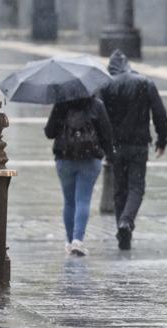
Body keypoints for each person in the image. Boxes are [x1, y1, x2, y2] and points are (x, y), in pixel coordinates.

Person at [100, 50, 167, 251]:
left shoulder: (105, 85)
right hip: (139, 144)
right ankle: (126, 222)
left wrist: (103, 145)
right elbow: (159, 113)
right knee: (136, 187)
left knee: (119, 189)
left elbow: (100, 116)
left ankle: (123, 232)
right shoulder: (145, 83)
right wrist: (162, 140)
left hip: (115, 146)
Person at [45, 96, 113, 256]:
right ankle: (78, 240)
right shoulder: (97, 105)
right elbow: (107, 133)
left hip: (65, 158)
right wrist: (109, 155)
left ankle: (70, 242)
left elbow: (50, 132)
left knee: (69, 201)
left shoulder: (61, 103)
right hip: (90, 159)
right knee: (83, 199)